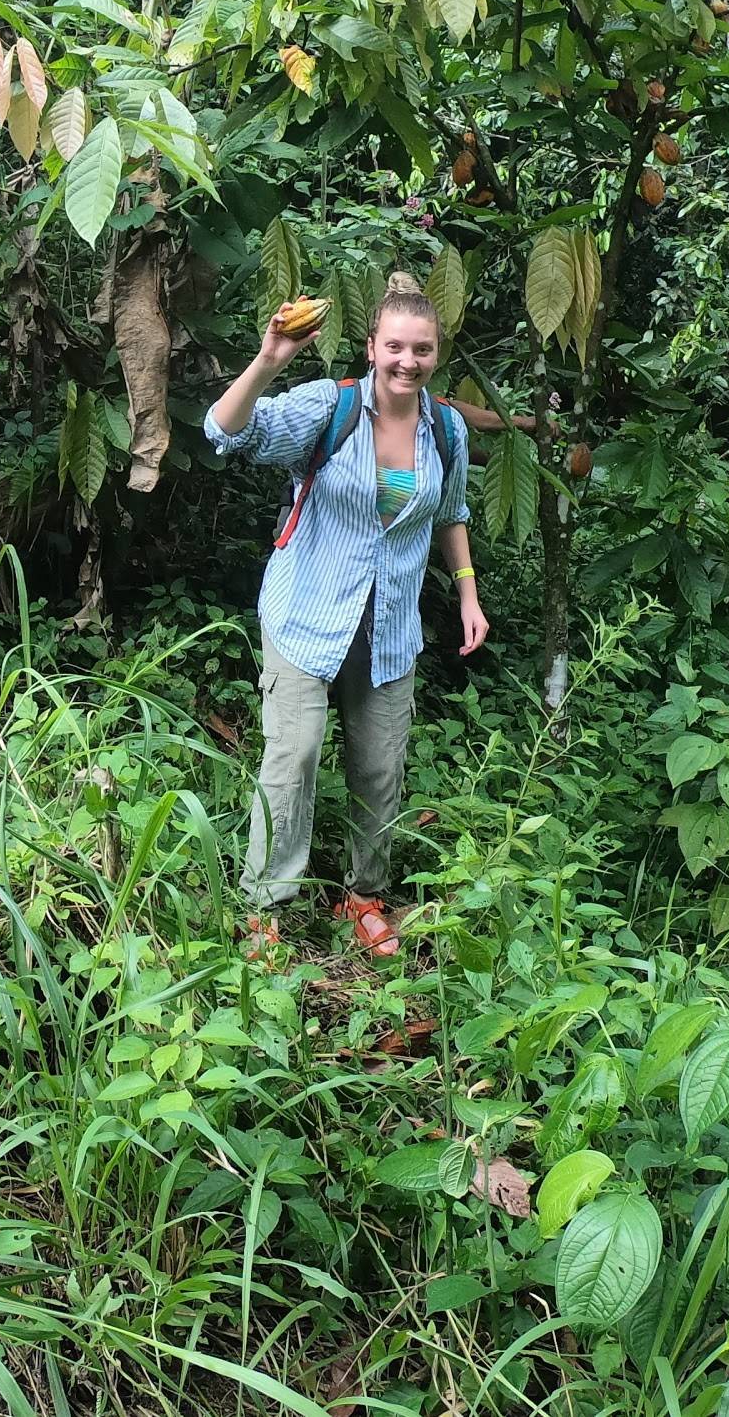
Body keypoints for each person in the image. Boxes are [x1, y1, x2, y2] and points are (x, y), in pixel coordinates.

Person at [205, 272, 489, 959]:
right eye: (395, 345)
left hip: (389, 627)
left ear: (435, 354)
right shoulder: (326, 408)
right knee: (293, 755)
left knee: (379, 768)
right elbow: (224, 430)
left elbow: (450, 512)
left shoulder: (446, 429)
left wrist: (467, 591)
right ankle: (265, 903)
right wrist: (270, 358)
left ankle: (364, 894)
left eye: (421, 349)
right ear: (371, 347)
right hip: (307, 613)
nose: (407, 361)